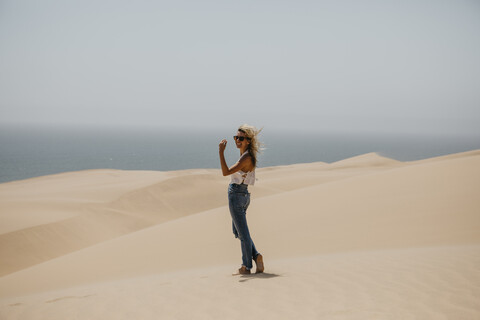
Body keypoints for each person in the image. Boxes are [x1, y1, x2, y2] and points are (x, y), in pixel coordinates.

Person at [219, 124, 264, 275]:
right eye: (236, 137)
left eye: (241, 138)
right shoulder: (247, 155)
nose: (237, 140)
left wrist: (221, 152)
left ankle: (246, 267)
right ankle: (256, 256)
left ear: (248, 141)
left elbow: (225, 172)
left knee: (243, 234)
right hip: (243, 195)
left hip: (237, 195)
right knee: (238, 231)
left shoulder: (246, 157)